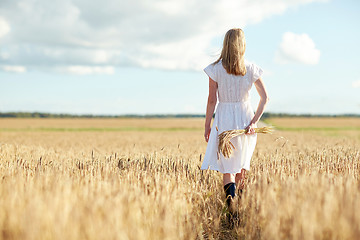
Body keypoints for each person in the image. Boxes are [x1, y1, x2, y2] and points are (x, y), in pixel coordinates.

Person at [201, 28, 269, 215]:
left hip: (224, 119)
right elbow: (265, 98)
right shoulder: (251, 68)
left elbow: (211, 100)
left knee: (227, 168)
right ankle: (239, 206)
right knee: (241, 165)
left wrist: (207, 125)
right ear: (242, 45)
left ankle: (232, 210)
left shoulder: (215, 69)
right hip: (245, 118)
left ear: (225, 44)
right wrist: (254, 122)